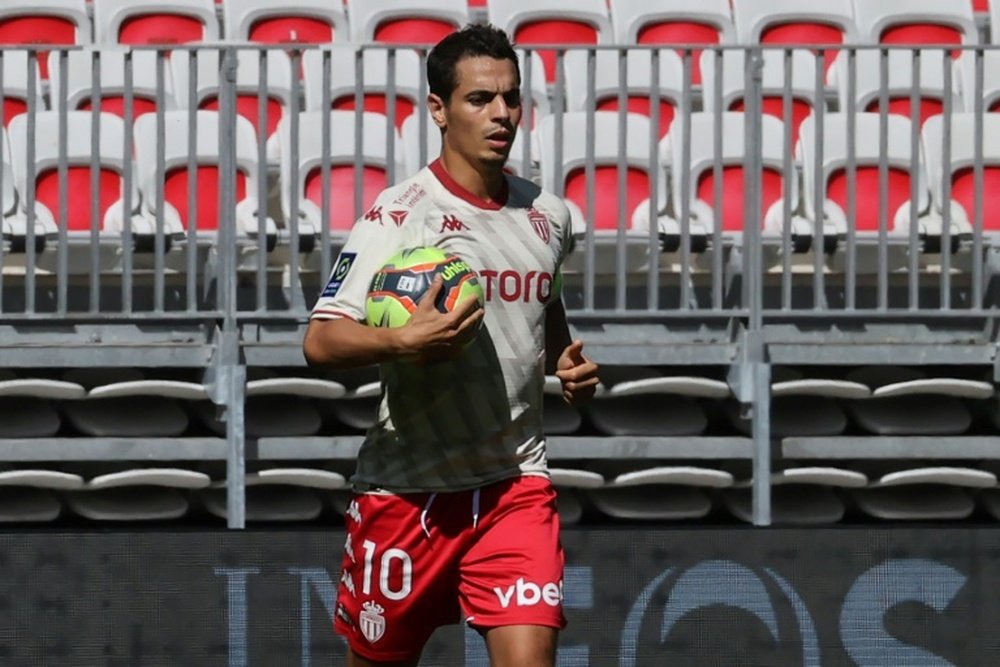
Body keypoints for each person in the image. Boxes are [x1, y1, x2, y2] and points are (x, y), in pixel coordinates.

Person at [302, 22, 600, 667]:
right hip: (408, 493)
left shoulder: (550, 215)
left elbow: (544, 302)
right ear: (438, 109)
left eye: (511, 98)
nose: (501, 114)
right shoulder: (400, 214)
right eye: (479, 99)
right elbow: (320, 341)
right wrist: (402, 337)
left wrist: (564, 358)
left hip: (514, 485)